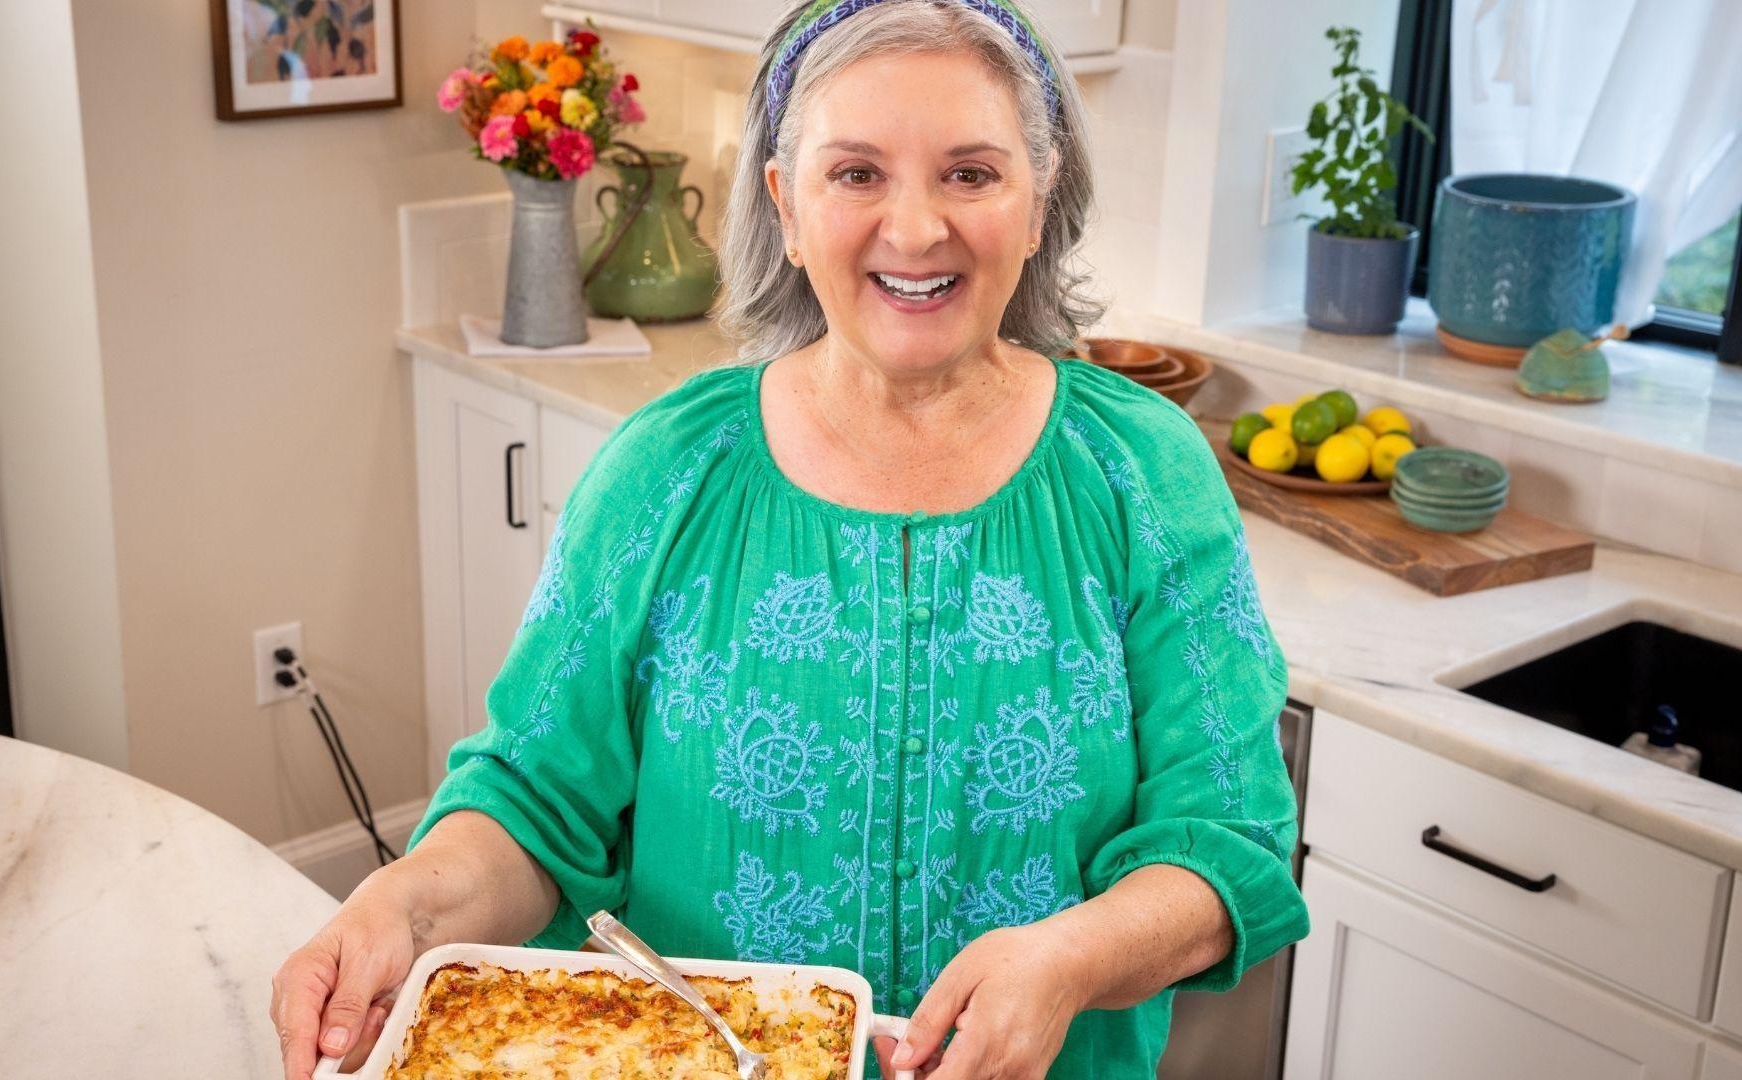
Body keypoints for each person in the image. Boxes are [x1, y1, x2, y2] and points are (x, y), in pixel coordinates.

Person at [272, 1, 1308, 1075]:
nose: (914, 231)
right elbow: (535, 805)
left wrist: (1076, 957)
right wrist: (404, 903)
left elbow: (1227, 837)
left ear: (1040, 198)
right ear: (786, 204)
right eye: (856, 173)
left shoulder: (1141, 473)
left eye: (971, 173)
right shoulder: (665, 473)